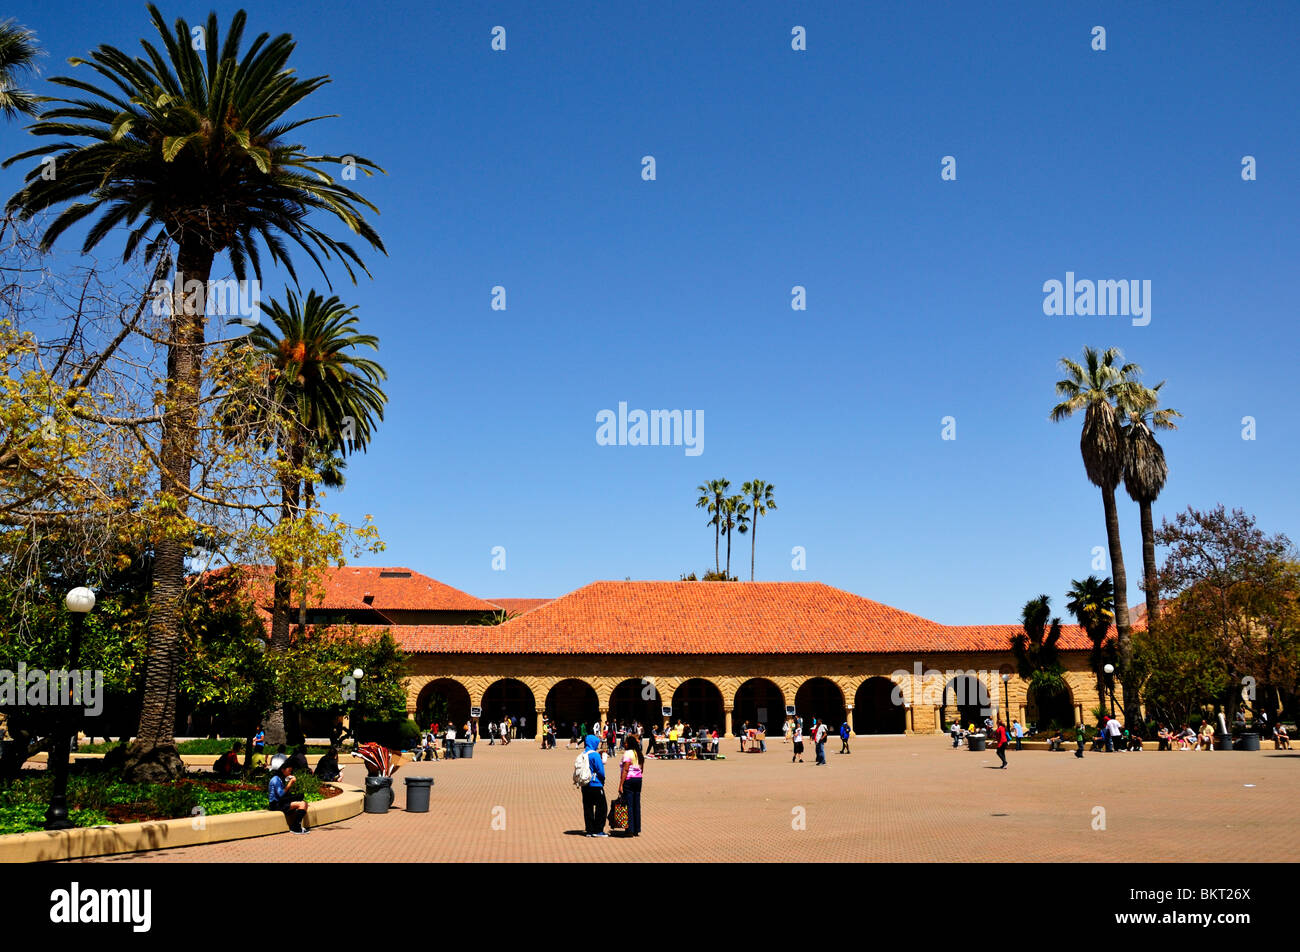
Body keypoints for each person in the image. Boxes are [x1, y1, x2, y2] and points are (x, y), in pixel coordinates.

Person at [268, 760, 309, 834]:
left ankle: (296, 826)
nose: (290, 772)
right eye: (289, 770)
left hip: (281, 802)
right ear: (283, 770)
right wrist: (290, 783)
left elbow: (285, 794)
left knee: (304, 803)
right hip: (275, 804)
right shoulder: (275, 779)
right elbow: (280, 794)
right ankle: (295, 828)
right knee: (302, 804)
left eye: (291, 771)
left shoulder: (281, 778)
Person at [579, 734, 607, 837]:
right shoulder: (595, 755)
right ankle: (598, 830)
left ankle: (589, 830)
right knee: (602, 807)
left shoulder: (583, 753)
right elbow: (601, 771)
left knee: (588, 807)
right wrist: (603, 780)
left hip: (585, 785)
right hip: (596, 784)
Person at [620, 733, 644, 837]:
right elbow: (642, 768)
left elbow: (625, 769)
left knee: (629, 805)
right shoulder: (638, 753)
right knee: (636, 804)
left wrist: (621, 784)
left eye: (625, 743)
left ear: (629, 743)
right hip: (638, 779)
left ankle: (629, 829)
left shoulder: (627, 753)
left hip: (629, 780)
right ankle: (636, 829)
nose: (624, 744)